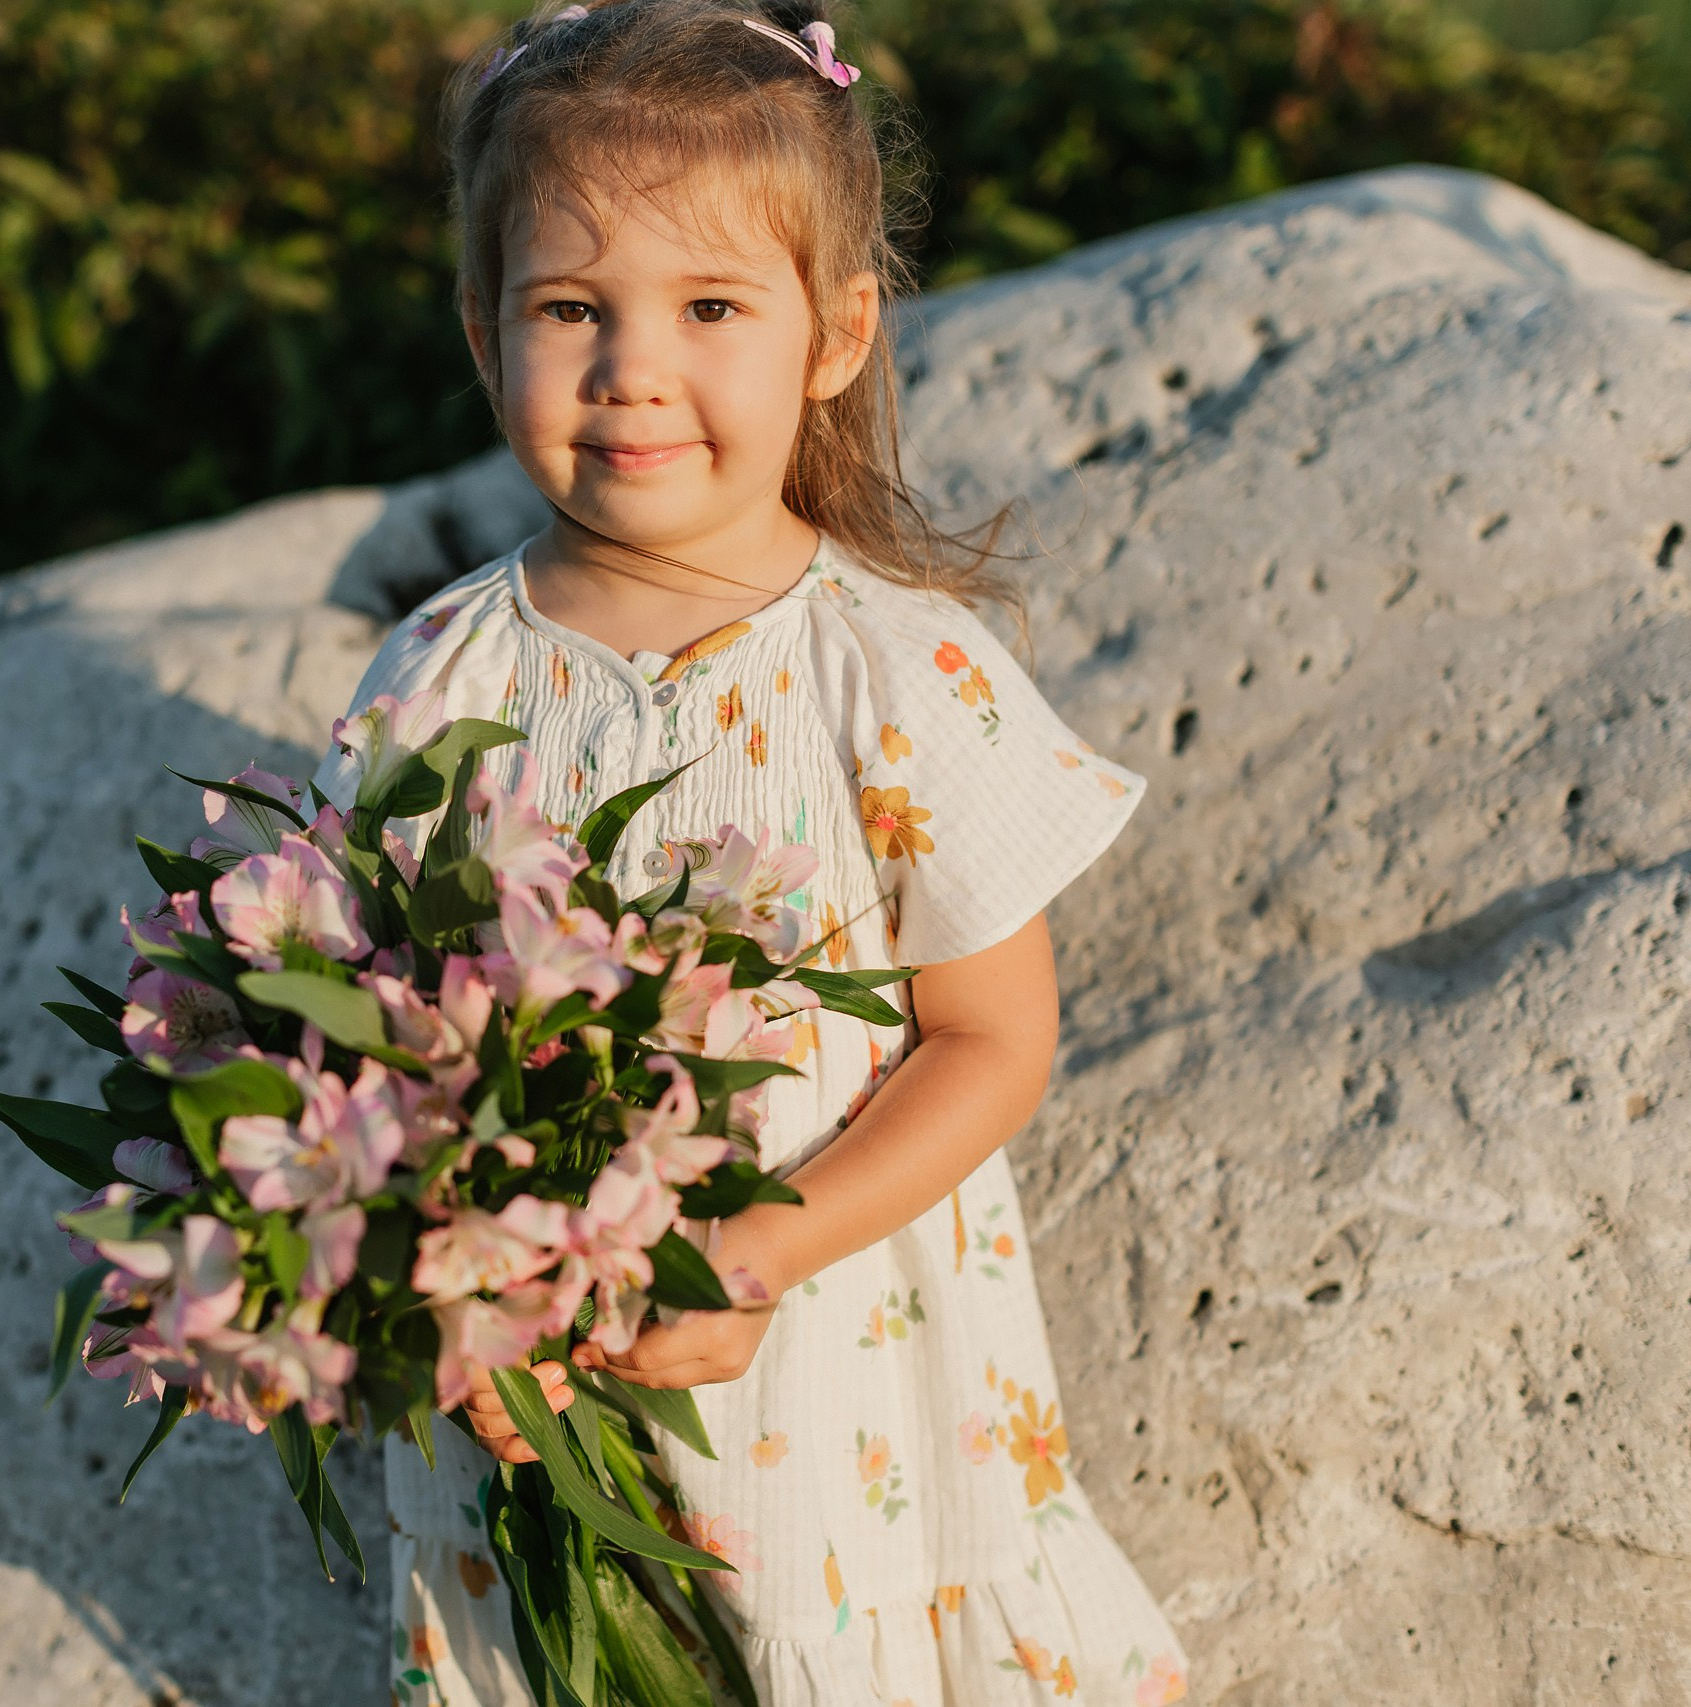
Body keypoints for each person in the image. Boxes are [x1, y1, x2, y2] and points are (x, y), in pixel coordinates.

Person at [314, 3, 1192, 1702]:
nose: (634, 367)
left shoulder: (891, 668)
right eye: (571, 309)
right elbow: (377, 1054)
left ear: (836, 333)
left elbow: (994, 1036)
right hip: (534, 1416)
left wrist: (762, 1242)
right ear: (488, 339)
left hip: (842, 1397)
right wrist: (446, 1299)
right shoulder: (438, 680)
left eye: (711, 307)